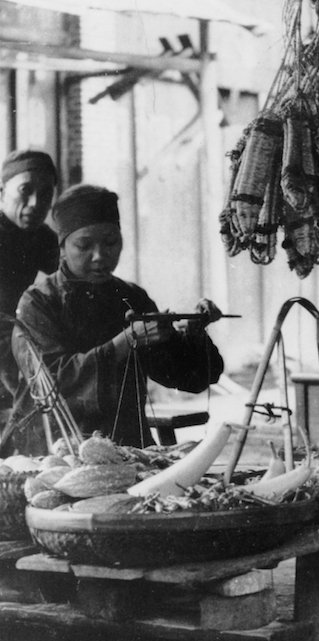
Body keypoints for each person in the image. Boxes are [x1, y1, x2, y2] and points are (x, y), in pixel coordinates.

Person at [12, 183, 224, 449]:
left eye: (111, 242)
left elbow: (188, 379)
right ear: (63, 248)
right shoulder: (38, 303)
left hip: (126, 446)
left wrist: (192, 334)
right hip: (52, 448)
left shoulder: (131, 296)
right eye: (84, 245)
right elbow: (52, 382)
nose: (100, 256)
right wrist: (124, 343)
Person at [0, 149, 59, 452]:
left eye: (46, 194)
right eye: (25, 190)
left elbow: (64, 285)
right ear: (2, 190)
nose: (35, 203)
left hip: (15, 334)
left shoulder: (45, 238)